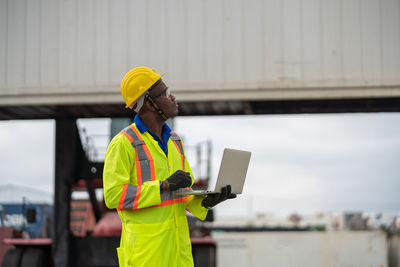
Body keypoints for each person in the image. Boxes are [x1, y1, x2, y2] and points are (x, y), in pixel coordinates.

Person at [103, 66, 236, 267]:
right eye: (164, 93)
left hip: (178, 253)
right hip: (146, 256)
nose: (172, 97)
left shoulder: (175, 141)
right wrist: (163, 185)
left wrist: (207, 202)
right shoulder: (123, 143)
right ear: (147, 103)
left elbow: (183, 193)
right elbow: (113, 196)